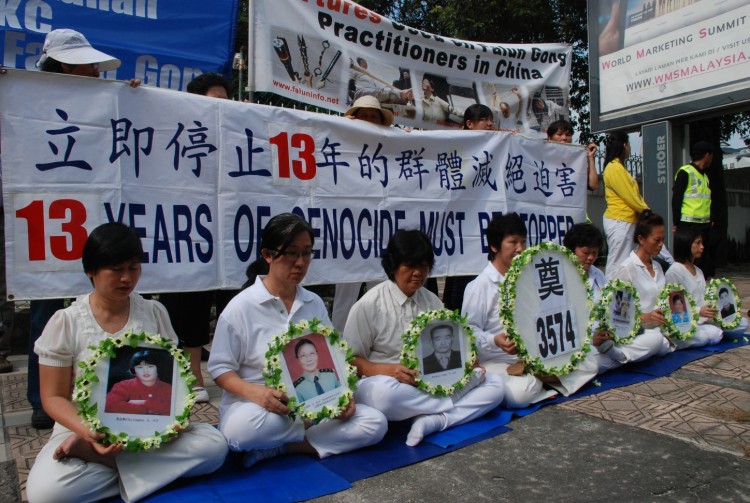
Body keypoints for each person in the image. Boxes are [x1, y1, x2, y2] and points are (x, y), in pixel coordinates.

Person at [27, 222, 227, 503]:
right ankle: (147, 471)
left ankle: (110, 465)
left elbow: (174, 379)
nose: (126, 278)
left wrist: (175, 418)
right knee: (46, 494)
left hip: (151, 428)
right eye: (116, 269)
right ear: (91, 270)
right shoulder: (67, 322)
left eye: (133, 268)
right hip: (83, 428)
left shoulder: (154, 312)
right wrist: (89, 434)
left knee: (215, 447)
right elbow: (53, 397)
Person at [208, 213, 387, 467]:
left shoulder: (313, 303)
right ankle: (305, 435)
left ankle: (286, 448)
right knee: (239, 431)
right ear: (268, 255)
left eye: (306, 253)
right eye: (291, 253)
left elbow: (332, 355)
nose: (300, 262)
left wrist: (342, 394)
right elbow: (220, 368)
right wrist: (256, 393)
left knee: (375, 423)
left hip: (313, 401)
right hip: (260, 408)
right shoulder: (241, 308)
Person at [28, 28, 141, 430]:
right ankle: (46, 399)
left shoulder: (103, 101)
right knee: (46, 303)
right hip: (51, 221)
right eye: (87, 64)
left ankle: (117, 393)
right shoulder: (29, 97)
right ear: (61, 64)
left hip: (94, 220)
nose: (94, 71)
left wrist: (131, 99)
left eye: (93, 65)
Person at [344, 229, 505, 445]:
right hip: (390, 382)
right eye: (410, 266)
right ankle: (450, 403)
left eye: (423, 266)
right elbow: (351, 360)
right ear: (393, 266)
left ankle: (436, 421)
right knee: (382, 395)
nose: (418, 273)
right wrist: (388, 370)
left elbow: (452, 348)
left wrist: (468, 361)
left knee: (495, 385)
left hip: (431, 381)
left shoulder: (433, 302)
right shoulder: (368, 305)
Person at [158, 72, 237, 404]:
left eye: (226, 102)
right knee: (190, 299)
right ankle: (192, 375)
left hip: (231, 231)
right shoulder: (178, 129)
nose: (222, 108)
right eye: (213, 102)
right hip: (190, 230)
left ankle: (234, 370)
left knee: (233, 301)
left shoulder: (239, 133)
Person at [461, 214, 553, 406]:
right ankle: (543, 381)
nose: (520, 249)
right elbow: (467, 334)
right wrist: (495, 340)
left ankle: (539, 377)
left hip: (531, 356)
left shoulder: (527, 278)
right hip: (496, 361)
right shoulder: (480, 286)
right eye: (512, 242)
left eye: (523, 242)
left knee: (589, 362)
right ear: (494, 246)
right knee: (519, 395)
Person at [601, 132, 674, 279]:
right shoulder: (614, 167)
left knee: (635, 260)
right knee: (617, 263)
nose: (629, 149)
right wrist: (645, 210)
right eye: (629, 145)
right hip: (620, 221)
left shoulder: (618, 167)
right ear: (624, 146)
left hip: (628, 221)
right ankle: (610, 297)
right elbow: (630, 195)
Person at [612, 211, 675, 362]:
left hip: (662, 327)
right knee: (655, 340)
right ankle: (619, 355)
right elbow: (618, 313)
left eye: (663, 240)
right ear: (641, 239)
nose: (661, 245)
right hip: (641, 330)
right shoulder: (627, 268)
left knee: (712, 333)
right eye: (657, 240)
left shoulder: (658, 267)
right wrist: (645, 317)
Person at [665, 228, 725, 347]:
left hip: (703, 320)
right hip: (684, 321)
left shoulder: (698, 271)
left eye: (702, 243)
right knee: (711, 335)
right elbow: (676, 306)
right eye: (698, 243)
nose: (702, 247)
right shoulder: (675, 271)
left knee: (741, 323)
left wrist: (712, 308)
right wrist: (699, 311)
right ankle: (671, 340)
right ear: (686, 244)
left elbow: (703, 297)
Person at [672, 141, 714, 278]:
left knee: (702, 261)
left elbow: (705, 200)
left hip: (704, 225)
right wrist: (677, 223)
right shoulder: (685, 172)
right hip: (688, 225)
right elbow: (676, 199)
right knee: (687, 260)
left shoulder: (705, 176)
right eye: (711, 156)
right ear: (707, 155)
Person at [105, 350, 173, 416]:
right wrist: (146, 410)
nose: (145, 371)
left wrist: (145, 403)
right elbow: (109, 405)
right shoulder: (123, 385)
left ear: (158, 368)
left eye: (150, 366)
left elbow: (173, 410)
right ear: (134, 370)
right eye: (140, 367)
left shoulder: (168, 388)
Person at [547, 119, 599, 191]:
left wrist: (591, 157)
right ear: (549, 138)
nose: (564, 138)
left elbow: (594, 185)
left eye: (568, 135)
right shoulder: (541, 159)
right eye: (559, 134)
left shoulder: (577, 161)